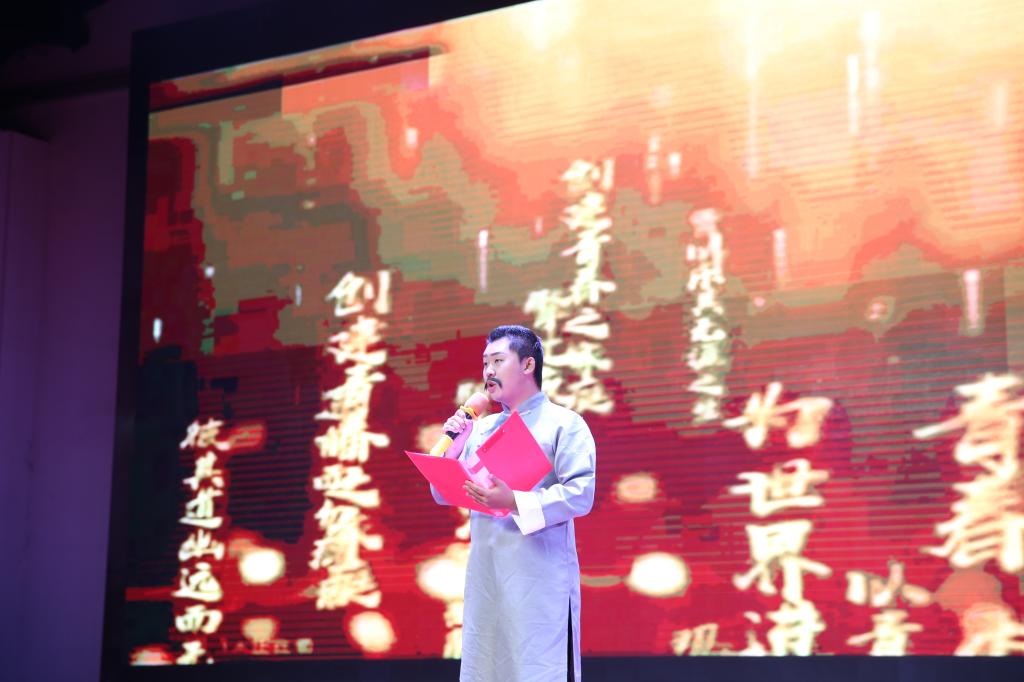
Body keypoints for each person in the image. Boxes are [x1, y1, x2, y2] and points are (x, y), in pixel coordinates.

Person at [429, 325, 597, 682]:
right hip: (488, 578)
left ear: (527, 365)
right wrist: (454, 449)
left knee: (538, 670)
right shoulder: (481, 429)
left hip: (540, 581)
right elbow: (445, 493)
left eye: (498, 361)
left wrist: (515, 501)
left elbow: (580, 493)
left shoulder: (564, 424)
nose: (488, 371)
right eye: (485, 363)